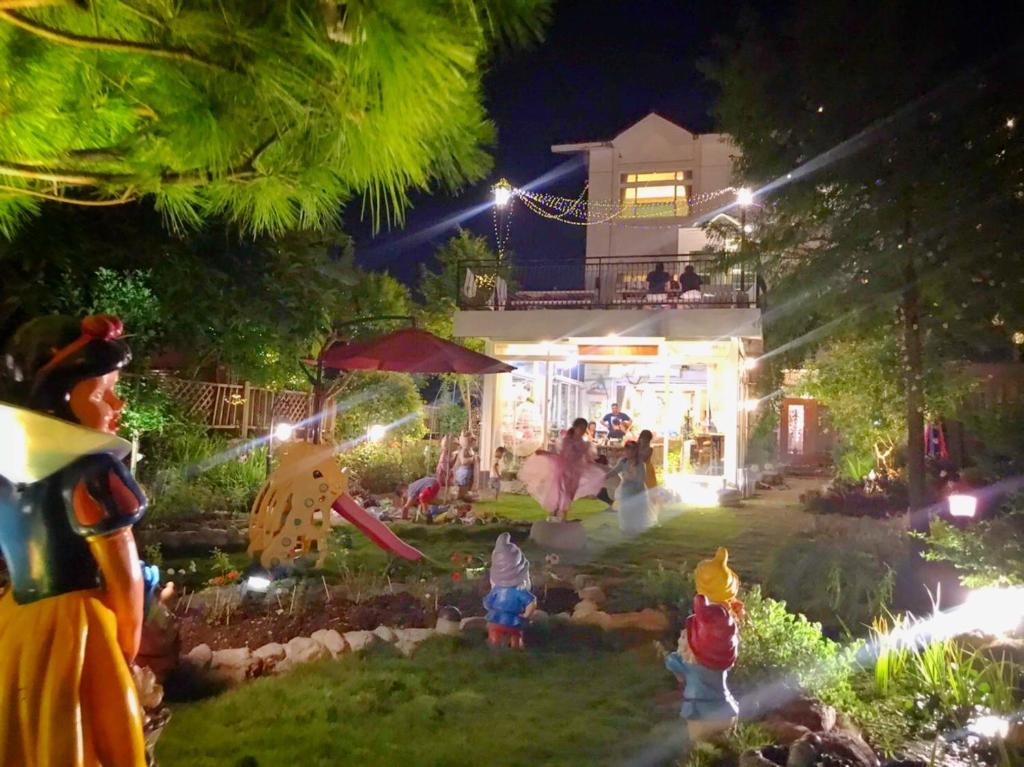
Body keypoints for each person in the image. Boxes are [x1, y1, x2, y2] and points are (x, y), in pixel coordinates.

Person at [0, 314, 149, 767]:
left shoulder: (8, 472)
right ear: (59, 394)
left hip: (19, 618)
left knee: (32, 724)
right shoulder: (90, 473)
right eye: (104, 392)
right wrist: (128, 639)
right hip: (79, 625)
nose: (118, 403)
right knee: (94, 729)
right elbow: (124, 573)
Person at [664, 594, 740, 742]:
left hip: (700, 713)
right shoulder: (721, 664)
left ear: (696, 647)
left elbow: (671, 661)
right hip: (727, 709)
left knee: (702, 750)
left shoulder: (688, 666)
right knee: (727, 748)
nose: (680, 639)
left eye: (685, 637)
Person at [518, 417, 606, 521]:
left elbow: (587, 459)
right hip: (563, 469)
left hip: (576, 472)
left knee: (570, 494)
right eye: (580, 428)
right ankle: (556, 514)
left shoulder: (584, 444)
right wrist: (546, 454)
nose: (582, 431)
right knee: (560, 491)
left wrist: (595, 465)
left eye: (584, 429)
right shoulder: (567, 440)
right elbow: (561, 455)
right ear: (575, 428)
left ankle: (562, 516)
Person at [483, 533, 537, 648]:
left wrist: (491, 608)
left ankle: (495, 645)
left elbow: (487, 602)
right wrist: (526, 616)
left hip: (496, 619)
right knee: (515, 636)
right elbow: (531, 603)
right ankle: (515, 648)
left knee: (494, 633)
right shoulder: (520, 592)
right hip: (514, 621)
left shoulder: (497, 589)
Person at [607, 442, 650, 533]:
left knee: (636, 510)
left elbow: (641, 479)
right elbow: (615, 471)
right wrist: (605, 476)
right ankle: (626, 528)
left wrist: (630, 477)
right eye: (626, 450)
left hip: (637, 490)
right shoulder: (623, 462)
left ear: (635, 451)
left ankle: (635, 528)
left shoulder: (640, 464)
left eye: (630, 450)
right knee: (625, 509)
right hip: (626, 489)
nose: (627, 452)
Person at [453, 433, 477, 501]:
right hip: (463, 470)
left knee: (466, 485)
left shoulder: (470, 450)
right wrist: (472, 459)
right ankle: (459, 497)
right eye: (471, 440)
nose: (473, 442)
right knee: (462, 484)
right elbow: (463, 461)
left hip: (469, 471)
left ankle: (464, 496)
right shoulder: (463, 450)